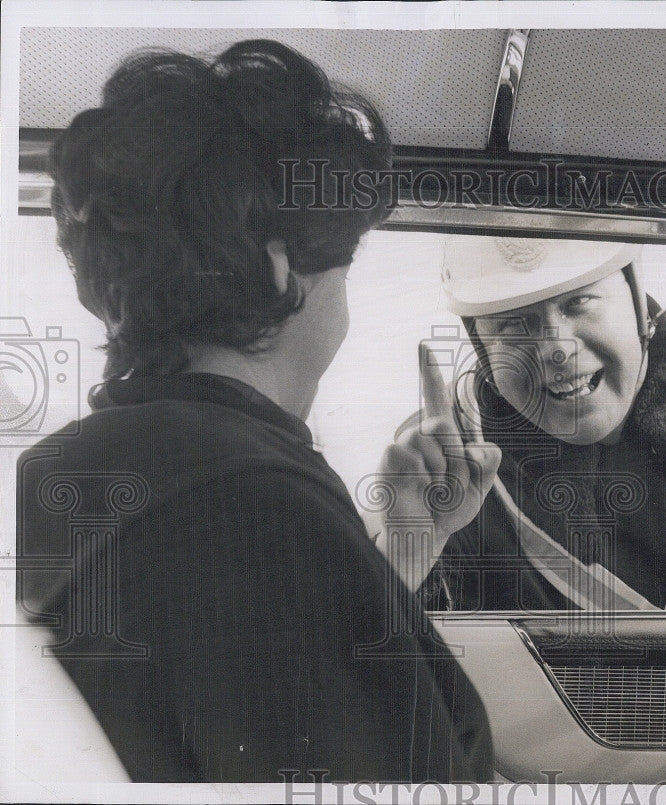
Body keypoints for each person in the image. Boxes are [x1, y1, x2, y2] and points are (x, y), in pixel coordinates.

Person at [17, 40, 498, 782]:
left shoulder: (53, 470)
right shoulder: (259, 507)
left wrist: (405, 543)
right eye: (344, 264)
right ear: (279, 266)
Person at [382, 236, 666, 611]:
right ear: (482, 352)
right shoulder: (446, 460)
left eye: (578, 302)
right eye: (513, 325)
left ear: (637, 298)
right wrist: (404, 561)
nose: (558, 350)